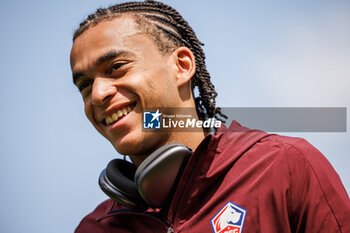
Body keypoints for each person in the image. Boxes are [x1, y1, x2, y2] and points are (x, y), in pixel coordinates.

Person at [70, 1, 350, 232]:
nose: (97, 95)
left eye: (116, 67)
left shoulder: (285, 166)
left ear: (182, 66)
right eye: (84, 85)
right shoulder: (95, 227)